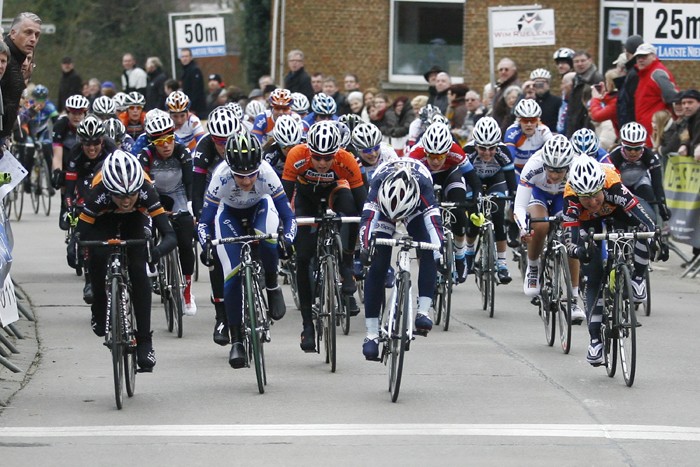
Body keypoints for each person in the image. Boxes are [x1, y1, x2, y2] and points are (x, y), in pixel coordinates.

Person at [69, 150, 176, 371]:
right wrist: (74, 249)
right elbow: (80, 235)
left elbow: (170, 235)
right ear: (109, 191)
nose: (126, 201)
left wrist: (155, 252)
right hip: (103, 218)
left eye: (131, 195)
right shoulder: (99, 193)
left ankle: (145, 341)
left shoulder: (146, 191)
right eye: (120, 196)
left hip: (136, 220)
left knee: (138, 269)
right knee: (97, 255)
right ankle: (99, 305)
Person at [198, 132, 295, 367]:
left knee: (267, 238)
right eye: (240, 176)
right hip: (229, 213)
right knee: (230, 273)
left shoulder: (267, 173)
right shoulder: (220, 177)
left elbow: (288, 215)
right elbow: (204, 222)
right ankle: (237, 341)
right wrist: (206, 244)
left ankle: (271, 286)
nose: (246, 181)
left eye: (251, 175)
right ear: (230, 168)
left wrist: (288, 238)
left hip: (260, 207)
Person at [281, 121, 367, 351]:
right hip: (306, 199)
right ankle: (308, 326)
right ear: (309, 151)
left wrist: (368, 228)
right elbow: (283, 198)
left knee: (351, 211)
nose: (321, 163)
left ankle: (346, 265)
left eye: (327, 158)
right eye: (317, 157)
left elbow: (363, 203)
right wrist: (282, 225)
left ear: (336, 153)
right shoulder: (296, 155)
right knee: (303, 258)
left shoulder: (346, 159)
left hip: (335, 192)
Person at [563, 156, 656, 365]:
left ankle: (637, 278)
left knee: (645, 232)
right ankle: (595, 340)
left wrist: (656, 236)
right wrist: (579, 250)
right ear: (578, 194)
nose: (592, 202)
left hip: (617, 210)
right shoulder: (570, 197)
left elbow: (642, 216)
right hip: (588, 224)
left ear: (601, 186)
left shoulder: (612, 184)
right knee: (594, 275)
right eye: (585, 198)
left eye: (595, 195)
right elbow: (569, 240)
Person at [358, 159, 443, 359]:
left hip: (414, 208)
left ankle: (423, 311)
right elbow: (368, 220)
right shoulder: (378, 186)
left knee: (428, 248)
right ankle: (371, 334)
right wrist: (365, 247)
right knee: (378, 264)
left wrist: (440, 253)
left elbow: (434, 224)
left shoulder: (423, 186)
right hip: (385, 209)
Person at [513, 135, 586, 323]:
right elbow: (519, 206)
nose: (554, 176)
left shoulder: (578, 165)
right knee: (541, 224)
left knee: (571, 238)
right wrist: (523, 229)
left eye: (560, 171)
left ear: (568, 166)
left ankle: (572, 299)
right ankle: (534, 266)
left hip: (564, 195)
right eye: (551, 170)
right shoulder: (534, 165)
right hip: (539, 194)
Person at [191, 107, 242, 345]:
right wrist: (199, 217)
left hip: (243, 200)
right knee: (213, 257)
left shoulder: (245, 142)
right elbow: (197, 186)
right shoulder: (204, 148)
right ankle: (221, 317)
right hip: (214, 201)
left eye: (227, 141)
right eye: (219, 142)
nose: (223, 147)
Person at [407, 122, 482, 283]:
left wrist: (475, 197)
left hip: (449, 175)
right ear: (425, 151)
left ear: (447, 152)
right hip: (424, 177)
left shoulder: (455, 151)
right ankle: (428, 269)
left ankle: (460, 255)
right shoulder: (415, 154)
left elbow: (472, 178)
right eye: (432, 156)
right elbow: (407, 184)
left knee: (459, 210)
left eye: (440, 156)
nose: (435, 161)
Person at [137, 113, 197, 315]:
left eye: (169, 139)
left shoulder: (182, 151)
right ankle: (151, 258)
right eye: (160, 141)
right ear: (153, 142)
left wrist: (189, 208)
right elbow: (143, 186)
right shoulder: (145, 154)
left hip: (178, 194)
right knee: (147, 224)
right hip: (154, 194)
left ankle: (187, 291)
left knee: (186, 239)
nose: (166, 145)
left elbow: (190, 183)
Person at [63, 115, 118, 302]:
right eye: (87, 144)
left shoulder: (111, 149)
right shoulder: (75, 153)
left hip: (107, 184)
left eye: (96, 143)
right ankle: (90, 280)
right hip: (85, 185)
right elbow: (69, 190)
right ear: (81, 142)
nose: (92, 148)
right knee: (80, 247)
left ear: (102, 140)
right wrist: (70, 210)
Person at [462, 117, 517, 283]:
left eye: (492, 148)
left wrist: (513, 198)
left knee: (499, 216)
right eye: (482, 148)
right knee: (474, 219)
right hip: (473, 180)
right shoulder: (467, 151)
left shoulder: (503, 152)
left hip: (495, 180)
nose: (487, 152)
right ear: (475, 144)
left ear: (497, 145)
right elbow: (462, 177)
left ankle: (502, 264)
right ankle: (469, 253)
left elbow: (510, 180)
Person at [608, 122, 671, 224]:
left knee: (647, 191)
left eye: (637, 148)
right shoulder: (614, 157)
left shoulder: (649, 156)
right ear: (622, 145)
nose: (633, 152)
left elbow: (657, 186)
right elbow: (609, 186)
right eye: (629, 148)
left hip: (640, 184)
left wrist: (662, 207)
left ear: (643, 146)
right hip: (620, 185)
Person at [1, 12, 42, 145]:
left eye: (36, 35)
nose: (33, 39)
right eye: (28, 32)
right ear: (13, 33)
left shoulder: (18, 63)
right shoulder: (5, 59)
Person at [632, 43, 679, 147]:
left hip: (657, 131)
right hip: (647, 130)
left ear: (653, 56)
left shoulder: (657, 73)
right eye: (638, 57)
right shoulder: (644, 74)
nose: (640, 60)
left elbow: (672, 97)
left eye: (644, 56)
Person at [19, 85, 59, 194]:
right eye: (38, 98)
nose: (40, 102)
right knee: (30, 152)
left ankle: (50, 180)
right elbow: (23, 120)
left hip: (43, 133)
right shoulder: (29, 105)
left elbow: (56, 121)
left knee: (48, 151)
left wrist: (58, 134)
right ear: (34, 97)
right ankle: (27, 178)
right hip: (30, 132)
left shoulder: (49, 106)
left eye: (43, 98)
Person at [503, 99, 552, 174]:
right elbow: (509, 157)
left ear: (537, 120)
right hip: (517, 170)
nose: (529, 124)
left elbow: (553, 149)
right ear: (519, 121)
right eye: (525, 120)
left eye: (532, 120)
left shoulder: (543, 130)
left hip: (537, 170)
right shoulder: (512, 131)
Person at [564, 50, 603, 138]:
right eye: (576, 61)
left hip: (588, 128)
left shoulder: (596, 78)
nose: (580, 64)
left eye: (583, 60)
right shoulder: (576, 79)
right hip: (575, 126)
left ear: (590, 60)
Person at [615, 34, 644, 129]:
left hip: (631, 124)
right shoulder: (634, 71)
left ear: (627, 52)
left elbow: (628, 102)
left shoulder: (633, 73)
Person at [530, 68, 561, 133]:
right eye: (537, 83)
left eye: (543, 82)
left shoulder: (558, 101)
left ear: (548, 84)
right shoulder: (529, 101)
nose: (540, 85)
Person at [492, 58, 520, 127]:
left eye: (506, 69)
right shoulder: (501, 87)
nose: (503, 72)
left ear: (514, 71)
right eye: (501, 70)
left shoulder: (515, 88)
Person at [179, 48, 206, 118]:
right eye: (182, 56)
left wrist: (192, 107)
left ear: (191, 57)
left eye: (186, 56)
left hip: (196, 109)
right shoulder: (185, 71)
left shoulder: (194, 70)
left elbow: (197, 91)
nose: (184, 58)